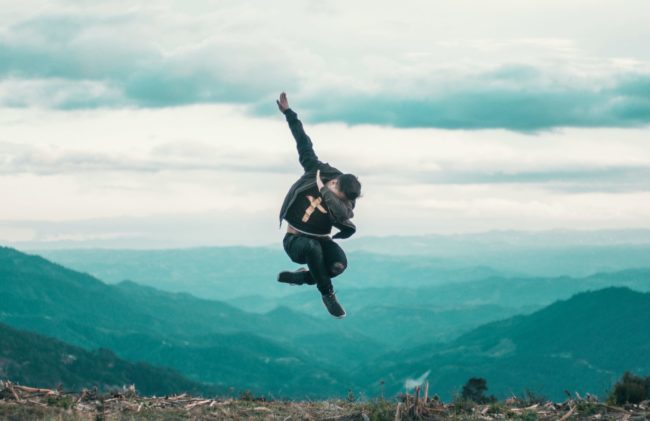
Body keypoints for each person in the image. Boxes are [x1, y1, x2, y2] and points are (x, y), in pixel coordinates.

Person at [275, 92, 362, 318]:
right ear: (334, 182)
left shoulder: (344, 203)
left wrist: (334, 199)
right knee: (311, 249)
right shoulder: (316, 170)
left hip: (321, 241)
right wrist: (289, 114)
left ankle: (303, 278)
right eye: (337, 193)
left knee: (338, 265)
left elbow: (345, 216)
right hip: (295, 241)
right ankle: (328, 295)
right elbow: (303, 142)